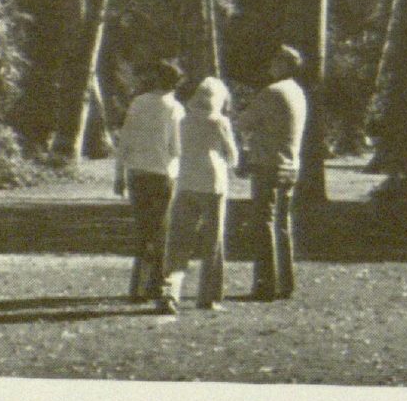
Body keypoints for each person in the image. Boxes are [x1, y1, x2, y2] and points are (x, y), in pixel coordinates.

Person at [159, 76, 239, 315]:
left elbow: (173, 148)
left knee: (179, 239)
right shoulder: (219, 122)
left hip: (186, 181)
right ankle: (209, 296)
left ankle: (170, 290)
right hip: (213, 184)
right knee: (213, 241)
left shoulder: (183, 121)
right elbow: (233, 155)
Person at [112, 59, 184, 304]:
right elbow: (177, 147)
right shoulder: (174, 108)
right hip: (163, 173)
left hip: (137, 172)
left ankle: (138, 287)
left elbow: (125, 141)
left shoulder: (138, 103)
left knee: (143, 230)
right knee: (161, 230)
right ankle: (156, 284)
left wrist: (119, 174)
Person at [239, 45, 307, 300]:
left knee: (264, 222)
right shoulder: (298, 92)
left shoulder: (272, 92)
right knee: (282, 223)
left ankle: (265, 283)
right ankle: (285, 283)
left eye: (275, 61)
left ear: (285, 64)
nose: (270, 65)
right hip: (291, 164)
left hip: (269, 163)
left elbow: (245, 122)